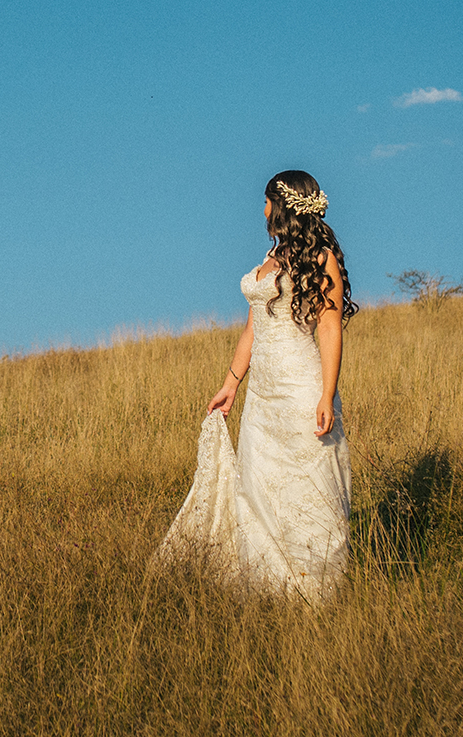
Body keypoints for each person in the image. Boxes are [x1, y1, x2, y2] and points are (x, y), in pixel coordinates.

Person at [151, 170, 353, 602]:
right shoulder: (270, 258)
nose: (261, 211)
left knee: (307, 484)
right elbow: (252, 331)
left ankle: (315, 591)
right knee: (259, 486)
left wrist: (326, 393)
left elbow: (331, 329)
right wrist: (231, 386)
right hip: (263, 395)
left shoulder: (320, 259)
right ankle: (269, 588)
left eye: (265, 202)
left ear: (282, 205)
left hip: (302, 386)